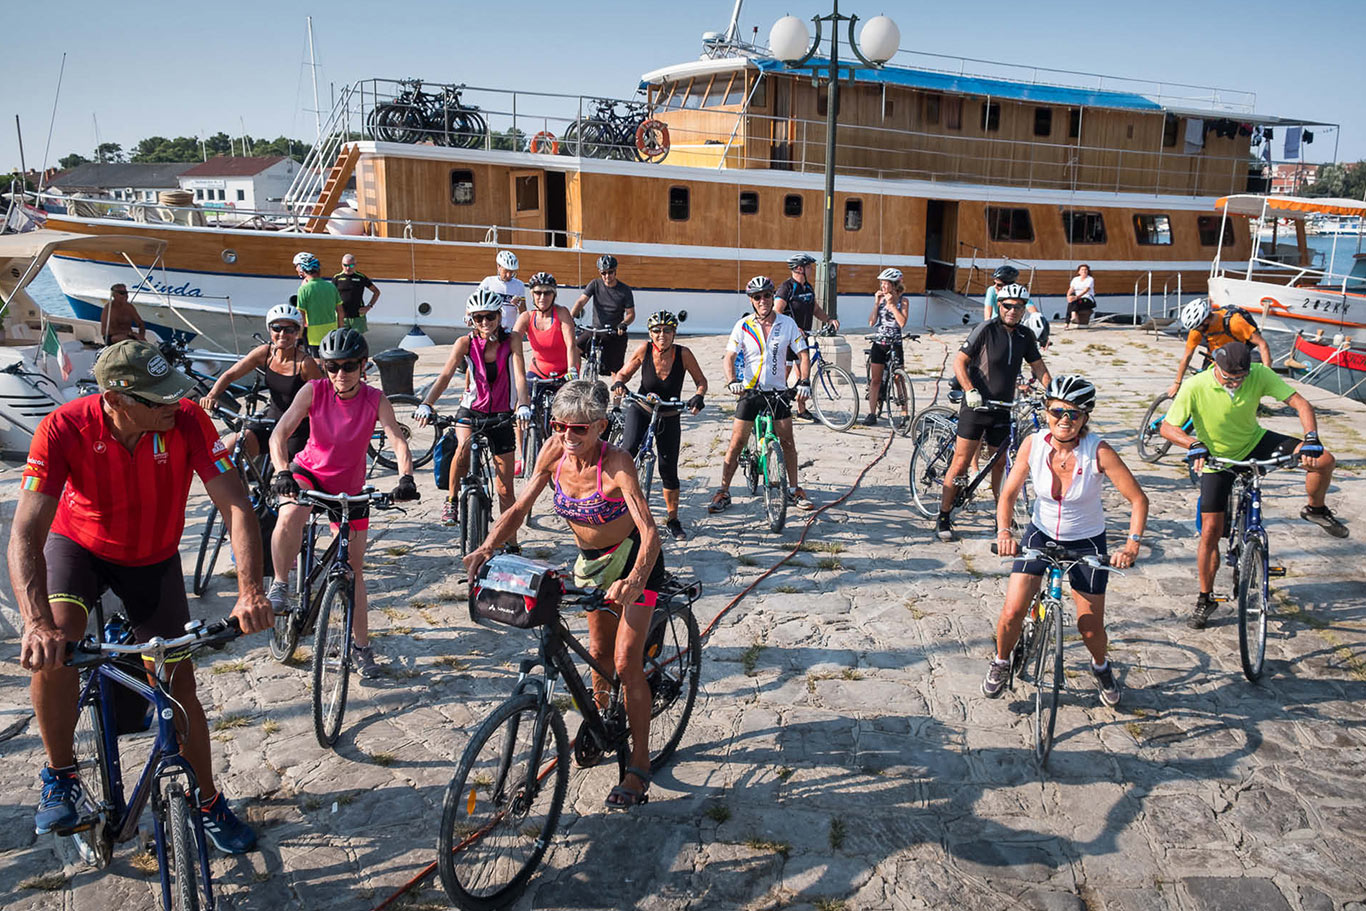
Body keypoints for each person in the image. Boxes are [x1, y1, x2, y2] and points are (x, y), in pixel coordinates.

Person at [10, 339, 271, 852]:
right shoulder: (62, 427)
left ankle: (208, 800)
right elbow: (25, 534)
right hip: (79, 546)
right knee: (57, 647)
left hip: (153, 557)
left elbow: (236, 505)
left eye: (173, 392)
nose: (174, 404)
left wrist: (250, 591)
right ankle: (60, 774)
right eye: (159, 399)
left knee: (176, 683)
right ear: (117, 399)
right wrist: (35, 622)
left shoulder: (187, 419)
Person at [463, 380, 662, 809]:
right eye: (559, 426)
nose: (568, 438)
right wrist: (487, 544)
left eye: (579, 430)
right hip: (591, 563)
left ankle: (640, 761)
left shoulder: (618, 464)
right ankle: (599, 723)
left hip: (633, 562)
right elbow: (518, 508)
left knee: (627, 663)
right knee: (596, 651)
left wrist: (636, 579)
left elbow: (650, 533)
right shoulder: (554, 452)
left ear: (601, 427)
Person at [1159, 341, 1348, 629]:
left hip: (1254, 443)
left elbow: (1300, 403)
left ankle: (1316, 508)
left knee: (1323, 460)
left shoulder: (1259, 373)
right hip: (1215, 457)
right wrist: (1192, 443)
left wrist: (1311, 437)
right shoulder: (1196, 385)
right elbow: (1167, 427)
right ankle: (1205, 598)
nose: (1235, 383)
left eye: (1240, 378)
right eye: (1229, 377)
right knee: (1210, 531)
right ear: (1216, 367)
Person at [984, 375, 1148, 707]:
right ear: (1046, 411)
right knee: (1012, 611)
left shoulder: (1098, 451)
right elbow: (1009, 494)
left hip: (1086, 541)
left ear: (1085, 417)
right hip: (1040, 534)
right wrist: (1004, 532)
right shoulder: (1033, 443)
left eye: (1074, 414)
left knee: (1090, 628)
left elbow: (1138, 500)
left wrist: (1131, 545)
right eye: (1057, 411)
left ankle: (1100, 666)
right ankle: (1002, 661)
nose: (1064, 420)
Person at [266, 328, 420, 678]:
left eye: (349, 366)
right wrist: (281, 471)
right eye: (332, 366)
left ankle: (361, 646)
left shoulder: (374, 399)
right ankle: (280, 584)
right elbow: (280, 433)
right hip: (309, 472)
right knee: (290, 513)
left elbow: (397, 440)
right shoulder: (314, 390)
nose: (340, 374)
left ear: (363, 365)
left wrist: (406, 478)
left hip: (349, 488)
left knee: (353, 571)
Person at [937, 282, 1051, 542]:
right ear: (999, 305)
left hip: (1003, 408)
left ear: (1024, 309)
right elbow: (959, 362)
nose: (1012, 310)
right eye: (1008, 305)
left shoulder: (1024, 336)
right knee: (961, 463)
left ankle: (1002, 515)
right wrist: (969, 390)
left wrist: (1054, 396)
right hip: (977, 405)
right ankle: (943, 515)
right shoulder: (985, 330)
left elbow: (1039, 367)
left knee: (1000, 463)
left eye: (1018, 307)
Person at [413, 290, 531, 535]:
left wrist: (523, 405)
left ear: (499, 317)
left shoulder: (512, 341)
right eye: (479, 318)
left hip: (501, 414)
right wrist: (427, 403)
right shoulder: (465, 343)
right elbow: (445, 375)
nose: (485, 323)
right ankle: (452, 500)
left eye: (489, 317)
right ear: (471, 320)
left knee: (505, 489)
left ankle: (509, 539)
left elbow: (520, 376)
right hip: (472, 409)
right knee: (463, 447)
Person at [708, 276, 815, 514]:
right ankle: (723, 491)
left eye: (767, 295)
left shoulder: (787, 324)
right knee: (736, 443)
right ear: (751, 301)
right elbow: (730, 357)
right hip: (750, 391)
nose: (763, 300)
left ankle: (794, 488)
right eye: (757, 297)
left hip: (777, 391)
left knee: (787, 442)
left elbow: (803, 354)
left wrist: (804, 380)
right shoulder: (743, 325)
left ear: (772, 297)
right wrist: (732, 381)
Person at [611, 310, 708, 540]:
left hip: (669, 413)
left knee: (668, 469)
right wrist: (618, 383)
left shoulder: (684, 354)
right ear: (650, 333)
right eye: (656, 331)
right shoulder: (644, 349)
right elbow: (624, 373)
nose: (661, 335)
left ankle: (673, 519)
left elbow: (701, 381)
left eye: (667, 330)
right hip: (642, 408)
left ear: (674, 333)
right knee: (627, 452)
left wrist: (699, 396)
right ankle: (614, 506)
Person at [199, 303, 322, 461]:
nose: (282, 333)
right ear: (270, 330)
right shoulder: (264, 353)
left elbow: (323, 398)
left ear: (297, 332)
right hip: (269, 421)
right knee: (229, 449)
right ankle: (230, 484)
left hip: (296, 428)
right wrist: (212, 395)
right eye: (277, 328)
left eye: (289, 329)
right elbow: (230, 375)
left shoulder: (305, 364)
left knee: (285, 476)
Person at [775, 253, 839, 422]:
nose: (812, 269)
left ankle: (801, 410)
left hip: (802, 339)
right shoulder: (786, 288)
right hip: (787, 340)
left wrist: (829, 319)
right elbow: (777, 312)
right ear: (799, 269)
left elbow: (815, 309)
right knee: (783, 374)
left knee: (804, 375)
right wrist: (794, 328)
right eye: (809, 267)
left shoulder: (808, 288)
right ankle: (775, 406)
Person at [1168, 298, 1273, 398]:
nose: (1196, 331)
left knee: (1234, 388)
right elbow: (1187, 357)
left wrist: (1267, 374)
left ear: (1206, 320)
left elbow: (1262, 344)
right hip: (1214, 357)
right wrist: (1177, 383)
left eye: (1198, 327)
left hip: (1235, 358)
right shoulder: (1196, 330)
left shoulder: (1235, 322)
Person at [571, 254, 635, 375]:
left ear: (615, 271)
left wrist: (623, 324)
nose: (607, 276)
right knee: (574, 347)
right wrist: (571, 317)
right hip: (596, 329)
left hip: (614, 331)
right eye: (603, 273)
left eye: (610, 272)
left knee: (616, 369)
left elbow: (631, 314)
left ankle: (617, 391)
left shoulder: (625, 290)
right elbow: (581, 301)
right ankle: (576, 377)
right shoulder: (595, 284)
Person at [863, 267, 910, 427]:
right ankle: (871, 412)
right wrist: (877, 304)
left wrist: (892, 306)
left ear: (894, 285)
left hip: (895, 343)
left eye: (885, 283)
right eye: (881, 283)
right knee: (876, 379)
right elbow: (871, 322)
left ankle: (905, 411)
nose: (882, 287)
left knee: (899, 378)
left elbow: (902, 323)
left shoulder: (903, 301)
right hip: (880, 343)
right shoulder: (881, 299)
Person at [293, 251, 344, 354]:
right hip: (332, 331)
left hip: (313, 333)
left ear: (303, 269)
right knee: (329, 360)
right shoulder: (331, 286)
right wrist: (340, 330)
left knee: (315, 362)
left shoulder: (304, 289)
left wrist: (299, 338)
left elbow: (301, 316)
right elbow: (340, 312)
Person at [478, 249, 527, 333]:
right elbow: (475, 301)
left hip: (509, 330)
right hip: (491, 329)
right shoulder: (488, 282)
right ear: (498, 267)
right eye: (506, 271)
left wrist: (519, 304)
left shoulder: (519, 285)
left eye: (511, 272)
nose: (509, 275)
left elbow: (524, 312)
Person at [333, 254, 380, 333]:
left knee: (358, 341)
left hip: (358, 316)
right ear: (342, 264)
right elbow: (331, 295)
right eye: (345, 265)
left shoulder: (361, 277)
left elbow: (376, 292)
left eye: (351, 265)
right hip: (341, 317)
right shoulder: (337, 278)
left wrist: (369, 306)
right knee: (341, 341)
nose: (348, 268)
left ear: (355, 265)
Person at [1065, 264, 1097, 329]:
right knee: (1071, 302)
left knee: (1074, 301)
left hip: (1087, 299)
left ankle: (1072, 317)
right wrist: (1068, 296)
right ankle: (1067, 323)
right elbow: (1071, 289)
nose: (1084, 271)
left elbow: (1086, 290)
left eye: (1086, 270)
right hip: (1077, 299)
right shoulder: (1075, 279)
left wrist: (1076, 297)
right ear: (1079, 272)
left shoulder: (1090, 279)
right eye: (1082, 270)